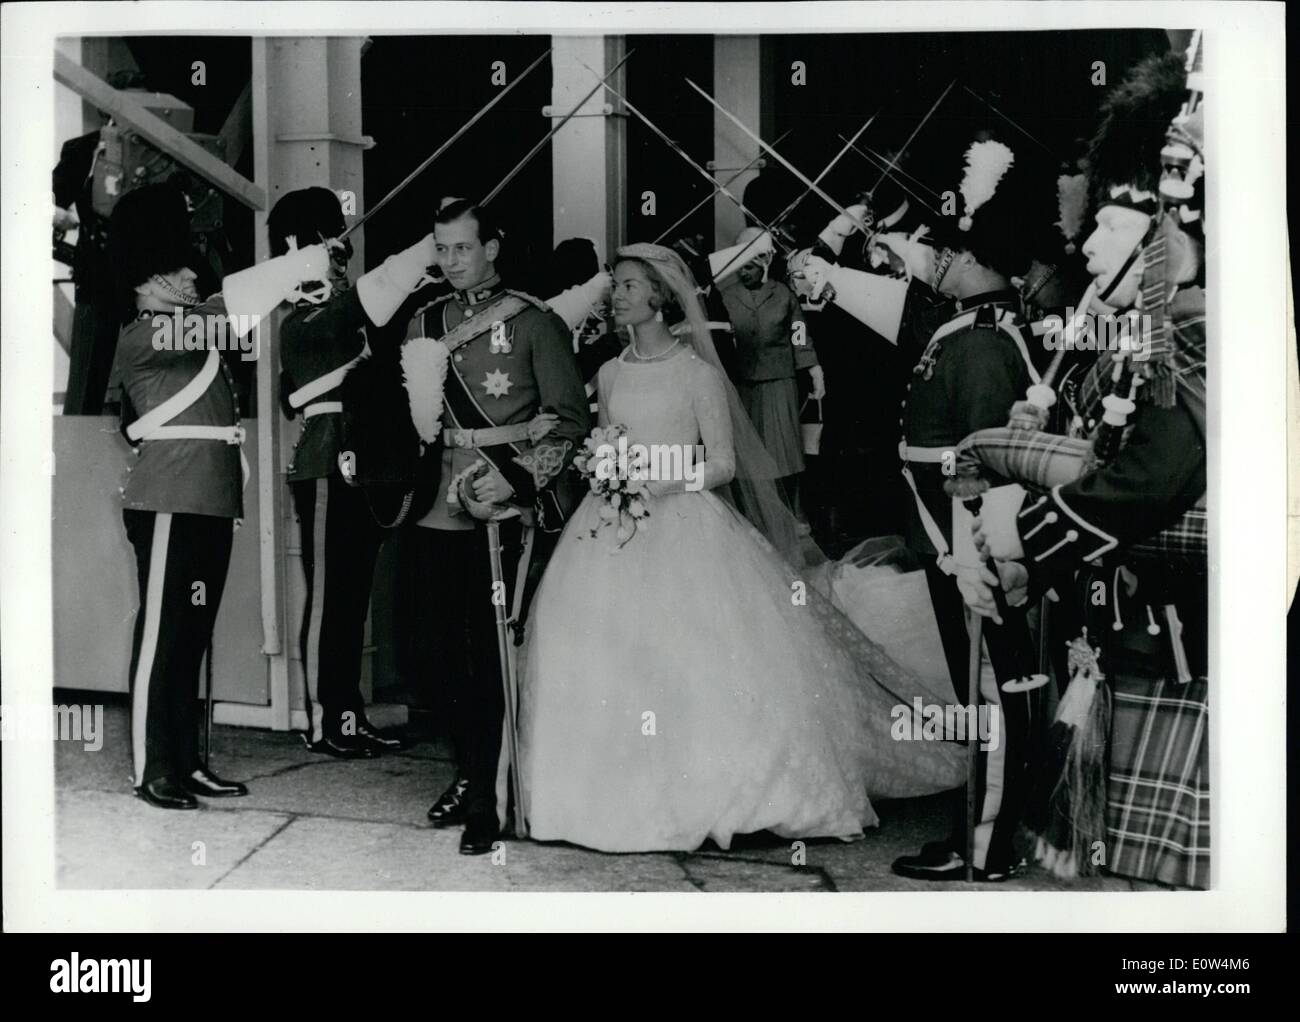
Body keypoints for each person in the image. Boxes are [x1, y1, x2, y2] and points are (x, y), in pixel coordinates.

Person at [518, 243, 962, 853]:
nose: (614, 295)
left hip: (683, 523)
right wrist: (606, 469)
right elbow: (602, 436)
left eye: (626, 286)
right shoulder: (611, 372)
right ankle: (596, 796)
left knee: (701, 652)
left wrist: (659, 480)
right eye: (615, 286)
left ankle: (721, 790)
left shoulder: (698, 374)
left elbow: (723, 464)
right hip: (611, 526)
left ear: (659, 298)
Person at [963, 49, 1208, 888]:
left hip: (1169, 619)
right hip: (1115, 602)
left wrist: (1022, 530)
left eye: (1112, 221)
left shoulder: (1185, 321)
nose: (1087, 237)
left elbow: (1160, 466)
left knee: (1172, 883)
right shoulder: (1127, 316)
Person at [110, 183, 330, 809]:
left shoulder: (188, 327)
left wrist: (301, 272)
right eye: (178, 273)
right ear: (148, 282)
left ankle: (187, 759)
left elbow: (229, 317)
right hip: (169, 492)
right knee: (164, 634)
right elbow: (224, 313)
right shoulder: (146, 332)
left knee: (193, 636)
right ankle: (153, 767)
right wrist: (296, 265)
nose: (189, 279)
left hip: (209, 493)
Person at [394, 199, 589, 854]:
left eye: (462, 248)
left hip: (502, 504)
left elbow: (567, 419)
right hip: (435, 505)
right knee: (431, 653)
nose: (450, 261)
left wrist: (516, 477)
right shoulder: (423, 320)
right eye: (441, 249)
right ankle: (468, 769)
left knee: (488, 658)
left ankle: (487, 794)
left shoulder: (534, 322)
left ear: (492, 247)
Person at [882, 141, 1049, 882]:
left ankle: (988, 844)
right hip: (948, 542)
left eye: (937, 250)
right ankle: (978, 827)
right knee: (978, 692)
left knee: (991, 692)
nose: (926, 260)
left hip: (968, 544)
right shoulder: (963, 330)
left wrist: (974, 556)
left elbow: (983, 467)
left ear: (969, 256)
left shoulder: (982, 344)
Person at [273, 187, 437, 757]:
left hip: (359, 459)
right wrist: (422, 251)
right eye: (326, 236)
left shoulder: (335, 314)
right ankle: (327, 720)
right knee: (329, 600)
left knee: (352, 597)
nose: (338, 247)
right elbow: (359, 307)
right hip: (326, 462)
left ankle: (347, 712)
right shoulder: (299, 321)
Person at [720, 227, 825, 517]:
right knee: (746, 454)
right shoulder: (724, 296)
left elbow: (799, 335)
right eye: (741, 266)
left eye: (751, 265)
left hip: (780, 384)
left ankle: (787, 515)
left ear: (766, 261)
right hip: (741, 385)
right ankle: (750, 516)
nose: (745, 272)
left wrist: (814, 369)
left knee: (783, 455)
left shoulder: (784, 295)